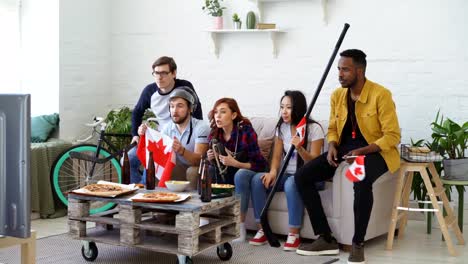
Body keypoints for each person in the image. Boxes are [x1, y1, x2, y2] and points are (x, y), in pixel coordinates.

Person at [294, 49, 401, 264]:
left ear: (359, 71)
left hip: (375, 151)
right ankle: (325, 237)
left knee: (359, 178)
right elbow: (333, 127)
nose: (340, 74)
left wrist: (362, 151)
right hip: (345, 150)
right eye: (339, 69)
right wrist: (332, 144)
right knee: (302, 176)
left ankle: (358, 244)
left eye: (345, 70)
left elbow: (393, 136)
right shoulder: (337, 96)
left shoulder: (381, 95)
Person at [249, 90, 325, 251]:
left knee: (292, 182)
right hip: (286, 173)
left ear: (298, 109)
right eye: (282, 107)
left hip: (309, 177)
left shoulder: (314, 129)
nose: (284, 111)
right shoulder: (282, 127)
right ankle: (263, 228)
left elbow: (315, 163)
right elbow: (276, 156)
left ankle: (294, 233)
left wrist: (300, 148)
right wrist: (273, 172)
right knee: (258, 179)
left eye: (289, 107)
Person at [129, 56, 203, 183]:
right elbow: (136, 112)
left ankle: (144, 195)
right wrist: (135, 134)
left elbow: (196, 111)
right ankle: (137, 191)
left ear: (174, 73)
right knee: (129, 158)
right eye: (156, 73)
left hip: (178, 138)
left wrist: (191, 138)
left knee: (152, 159)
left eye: (164, 73)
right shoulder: (149, 91)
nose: (159, 77)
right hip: (159, 138)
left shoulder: (184, 87)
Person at [206, 98, 268, 242]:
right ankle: (205, 222)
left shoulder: (246, 131)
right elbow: (218, 165)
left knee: (240, 175)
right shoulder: (215, 133)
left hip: (249, 170)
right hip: (228, 173)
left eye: (223, 112)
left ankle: (239, 227)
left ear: (233, 115)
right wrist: (211, 158)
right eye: (216, 112)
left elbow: (259, 164)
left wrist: (235, 163)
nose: (218, 116)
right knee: (207, 170)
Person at [137, 89, 209, 189]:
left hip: (197, 168)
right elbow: (158, 151)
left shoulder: (201, 127)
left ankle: (194, 203)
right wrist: (145, 134)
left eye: (180, 106)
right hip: (177, 167)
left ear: (190, 109)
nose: (174, 110)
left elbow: (199, 160)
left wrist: (182, 151)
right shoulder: (167, 127)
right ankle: (152, 198)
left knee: (192, 171)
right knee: (154, 164)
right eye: (171, 106)